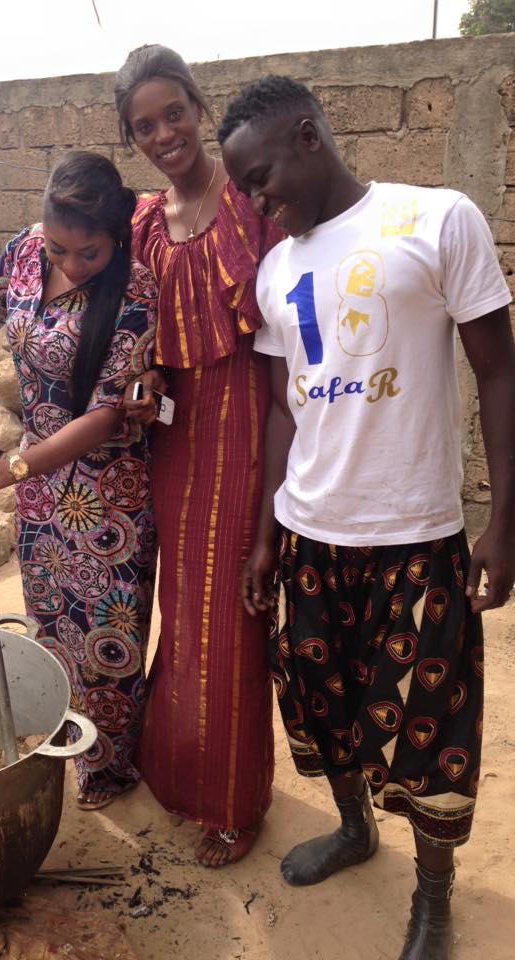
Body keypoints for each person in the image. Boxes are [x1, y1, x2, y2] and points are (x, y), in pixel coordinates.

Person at [218, 75, 515, 959]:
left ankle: (433, 898)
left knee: (434, 734)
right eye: (242, 190)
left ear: (308, 136)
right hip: (312, 533)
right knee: (321, 707)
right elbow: (281, 410)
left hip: (415, 539)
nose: (257, 202)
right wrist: (269, 534)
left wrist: (505, 518)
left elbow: (499, 372)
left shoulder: (436, 220)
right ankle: (354, 829)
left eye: (261, 177)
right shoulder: (276, 268)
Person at [0, 151, 158, 810]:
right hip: (43, 493)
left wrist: (6, 468)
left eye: (89, 253)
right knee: (53, 629)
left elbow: (107, 414)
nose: (70, 264)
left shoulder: (134, 290)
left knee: (108, 639)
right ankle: (63, 742)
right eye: (59, 247)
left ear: (117, 238)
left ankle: (109, 768)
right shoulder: (24, 251)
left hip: (107, 498)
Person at [114, 44, 284, 867]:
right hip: (173, 436)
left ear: (197, 105)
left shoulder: (249, 205)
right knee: (181, 608)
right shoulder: (146, 222)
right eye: (144, 125)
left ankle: (234, 800)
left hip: (244, 425)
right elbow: (128, 316)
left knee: (233, 614)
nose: (163, 134)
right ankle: (179, 769)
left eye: (173, 113)